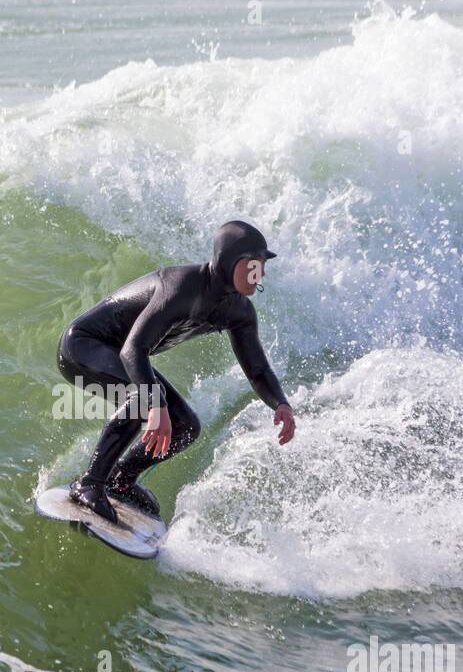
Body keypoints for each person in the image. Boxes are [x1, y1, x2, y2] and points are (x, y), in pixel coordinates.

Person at [57, 220, 296, 523]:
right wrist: (156, 406)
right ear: (229, 262)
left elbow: (257, 368)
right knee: (144, 400)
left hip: (125, 356)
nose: (259, 273)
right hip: (84, 347)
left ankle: (122, 481)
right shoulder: (181, 287)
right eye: (253, 264)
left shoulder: (239, 312)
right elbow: (133, 350)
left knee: (186, 426)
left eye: (261, 265)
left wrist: (281, 403)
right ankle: (90, 483)